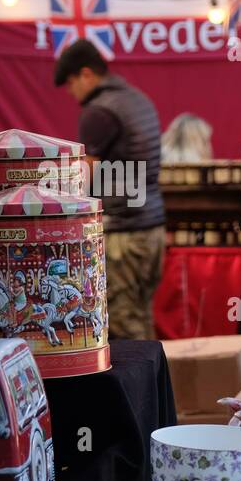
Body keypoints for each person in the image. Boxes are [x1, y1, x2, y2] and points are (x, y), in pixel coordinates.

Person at [54, 38, 164, 340]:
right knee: (141, 318)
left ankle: (142, 389)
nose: (71, 92)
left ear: (86, 74)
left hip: (123, 237)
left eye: (71, 83)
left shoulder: (99, 111)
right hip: (152, 229)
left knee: (125, 327)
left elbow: (84, 174)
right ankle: (156, 385)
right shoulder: (136, 99)